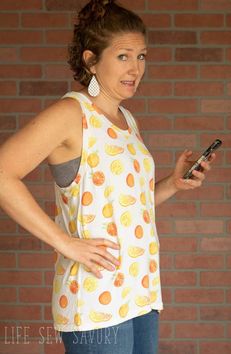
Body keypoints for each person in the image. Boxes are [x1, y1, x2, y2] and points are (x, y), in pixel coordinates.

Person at [0, 1, 216, 353]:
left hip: (141, 290)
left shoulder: (127, 121)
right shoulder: (71, 113)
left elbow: (127, 205)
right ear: (90, 60)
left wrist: (172, 184)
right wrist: (65, 242)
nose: (136, 68)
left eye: (142, 56)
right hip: (95, 300)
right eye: (123, 56)